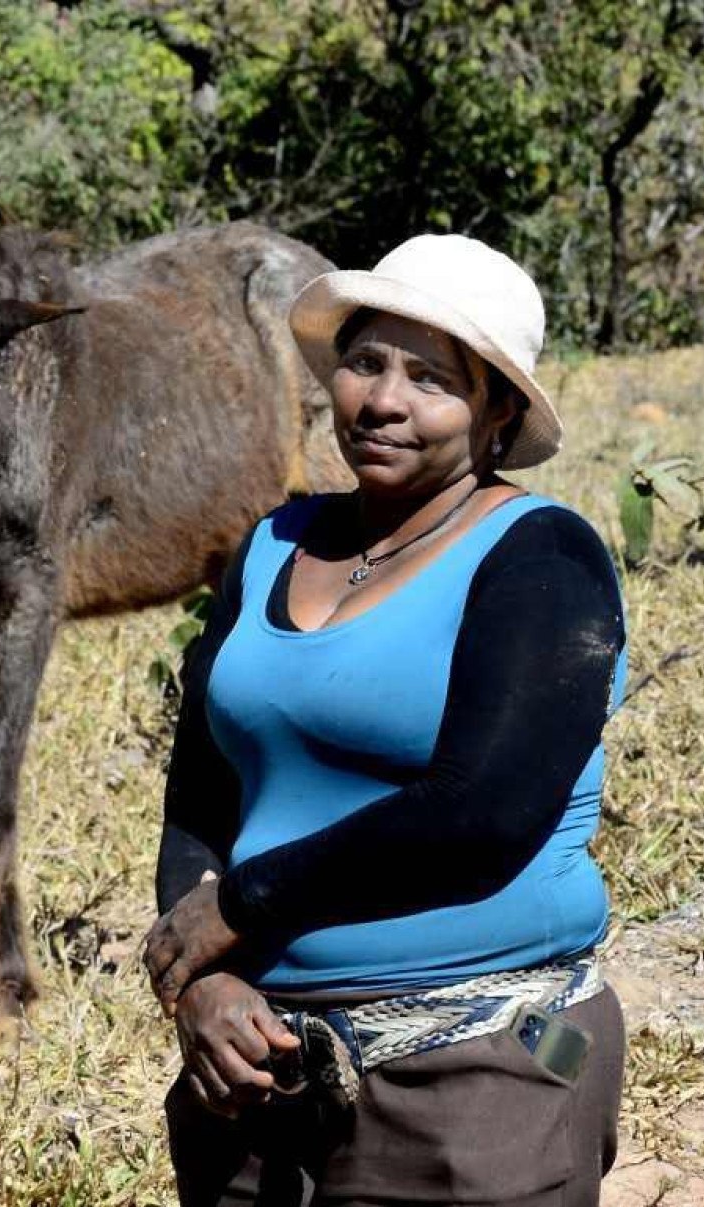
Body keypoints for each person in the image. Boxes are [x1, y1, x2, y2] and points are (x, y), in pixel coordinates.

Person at [141, 233, 628, 1207]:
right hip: (257, 1073)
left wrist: (238, 908)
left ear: (494, 412)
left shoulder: (542, 560)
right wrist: (201, 981)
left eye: (430, 378)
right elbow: (203, 785)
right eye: (365, 362)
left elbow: (478, 815)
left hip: (485, 1070)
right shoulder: (271, 546)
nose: (384, 400)